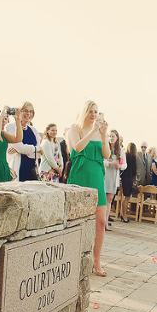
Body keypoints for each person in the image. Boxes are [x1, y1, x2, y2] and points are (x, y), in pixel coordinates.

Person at [67, 101, 110, 276]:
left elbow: (106, 154)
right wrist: (92, 131)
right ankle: (72, 258)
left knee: (100, 221)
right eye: (90, 111)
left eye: (96, 112)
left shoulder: (100, 131)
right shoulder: (74, 128)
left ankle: (96, 261)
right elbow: (77, 147)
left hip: (97, 177)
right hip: (80, 176)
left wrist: (104, 135)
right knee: (75, 221)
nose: (94, 114)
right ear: (84, 112)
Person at [6, 102, 41, 182]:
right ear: (19, 112)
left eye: (30, 111)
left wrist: (21, 150)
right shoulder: (10, 127)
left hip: (32, 169)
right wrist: (35, 149)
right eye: (25, 110)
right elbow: (19, 147)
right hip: (17, 167)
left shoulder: (33, 130)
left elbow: (39, 153)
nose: (28, 114)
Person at [104, 130, 126, 228]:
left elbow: (125, 164)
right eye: (109, 136)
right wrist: (110, 163)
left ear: (117, 138)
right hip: (104, 176)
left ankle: (105, 222)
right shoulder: (104, 148)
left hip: (114, 177)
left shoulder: (120, 151)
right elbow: (100, 161)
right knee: (102, 200)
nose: (111, 138)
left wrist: (119, 166)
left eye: (113, 136)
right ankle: (100, 221)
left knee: (109, 200)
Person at [119, 143, 137, 222]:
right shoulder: (133, 157)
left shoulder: (125, 156)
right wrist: (135, 180)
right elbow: (134, 170)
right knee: (127, 197)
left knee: (125, 197)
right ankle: (124, 215)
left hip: (123, 178)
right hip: (129, 178)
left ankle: (123, 214)